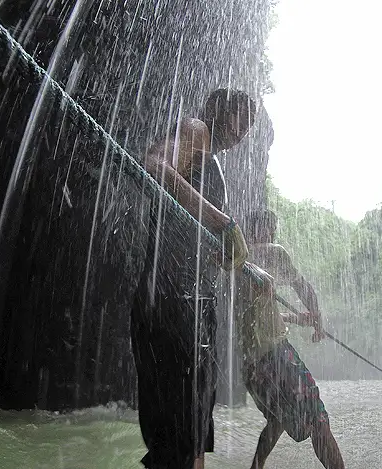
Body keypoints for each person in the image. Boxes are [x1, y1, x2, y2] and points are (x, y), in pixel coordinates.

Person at [131, 88, 258, 469]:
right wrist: (221, 222)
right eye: (241, 116)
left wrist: (222, 251)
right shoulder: (196, 129)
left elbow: (194, 232)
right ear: (218, 109)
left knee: (195, 437)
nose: (244, 130)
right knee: (178, 444)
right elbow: (152, 165)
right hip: (171, 298)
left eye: (251, 124)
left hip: (195, 304)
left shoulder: (212, 161)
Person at [236, 209, 345, 469]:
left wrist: (299, 318)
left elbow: (259, 315)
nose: (272, 234)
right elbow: (302, 286)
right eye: (270, 229)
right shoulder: (272, 252)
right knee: (317, 417)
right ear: (264, 230)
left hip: (251, 366)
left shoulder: (236, 261)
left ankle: (255, 466)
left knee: (278, 418)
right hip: (276, 355)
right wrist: (317, 315)